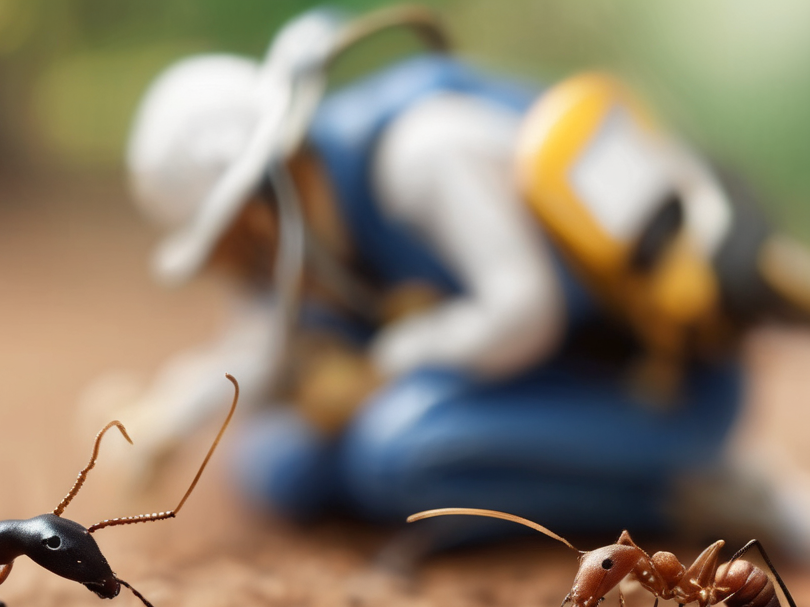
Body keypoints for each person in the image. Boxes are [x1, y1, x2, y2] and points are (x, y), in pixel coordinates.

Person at [95, 6, 810, 551]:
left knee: (398, 450)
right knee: (281, 466)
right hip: (518, 389)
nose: (236, 264)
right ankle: (439, 475)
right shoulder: (311, 234)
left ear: (257, 203)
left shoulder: (422, 155)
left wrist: (382, 366)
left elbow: (523, 316)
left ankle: (698, 489)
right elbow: (264, 347)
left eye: (228, 239)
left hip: (647, 389)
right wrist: (170, 415)